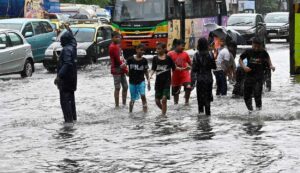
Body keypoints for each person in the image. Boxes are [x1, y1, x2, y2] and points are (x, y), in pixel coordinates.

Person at [239, 37, 275, 113]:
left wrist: (271, 65)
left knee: (257, 95)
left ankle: (258, 113)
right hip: (249, 77)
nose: (256, 48)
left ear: (261, 46)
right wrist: (244, 67)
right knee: (246, 96)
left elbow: (268, 58)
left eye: (258, 47)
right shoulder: (248, 51)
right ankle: (250, 111)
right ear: (252, 44)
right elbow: (240, 59)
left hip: (259, 78)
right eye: (254, 46)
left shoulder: (263, 52)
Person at [54, 30, 77, 124]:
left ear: (66, 40)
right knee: (71, 100)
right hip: (72, 79)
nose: (60, 42)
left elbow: (67, 63)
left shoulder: (67, 49)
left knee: (65, 101)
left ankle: (68, 122)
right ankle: (73, 119)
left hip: (66, 80)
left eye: (62, 40)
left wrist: (59, 76)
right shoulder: (73, 47)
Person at [191, 38, 217, 116]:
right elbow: (214, 67)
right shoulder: (210, 54)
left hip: (200, 79)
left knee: (200, 98)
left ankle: (201, 117)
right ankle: (208, 116)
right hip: (209, 79)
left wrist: (192, 81)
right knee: (208, 98)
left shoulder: (196, 55)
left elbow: (194, 69)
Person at [150, 42, 176, 116]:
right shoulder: (155, 59)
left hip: (167, 82)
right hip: (158, 82)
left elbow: (174, 68)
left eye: (159, 49)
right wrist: (150, 75)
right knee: (157, 101)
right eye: (156, 49)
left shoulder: (168, 58)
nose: (157, 50)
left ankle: (163, 116)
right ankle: (164, 111)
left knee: (164, 99)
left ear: (164, 49)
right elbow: (153, 69)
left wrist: (183, 69)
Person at [127, 44, 150, 113]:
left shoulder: (144, 61)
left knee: (143, 95)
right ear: (136, 49)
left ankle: (145, 110)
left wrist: (148, 81)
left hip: (141, 81)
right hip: (132, 82)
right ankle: (130, 112)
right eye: (141, 50)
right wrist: (126, 73)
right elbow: (124, 68)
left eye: (144, 51)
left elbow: (146, 71)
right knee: (132, 99)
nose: (142, 52)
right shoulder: (130, 59)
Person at [168, 39, 192, 105]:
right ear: (176, 45)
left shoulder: (185, 54)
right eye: (182, 46)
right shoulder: (170, 54)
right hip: (175, 76)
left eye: (184, 46)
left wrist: (192, 67)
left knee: (188, 87)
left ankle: (186, 102)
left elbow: (190, 63)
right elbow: (166, 64)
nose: (183, 47)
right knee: (176, 94)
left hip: (185, 75)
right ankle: (176, 106)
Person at [109, 31, 128, 108]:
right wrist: (126, 69)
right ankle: (117, 106)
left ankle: (124, 104)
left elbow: (121, 57)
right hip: (116, 69)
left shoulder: (118, 46)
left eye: (119, 37)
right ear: (112, 38)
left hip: (121, 68)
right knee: (117, 87)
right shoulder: (113, 47)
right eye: (116, 37)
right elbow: (117, 60)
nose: (118, 38)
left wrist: (125, 66)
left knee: (125, 87)